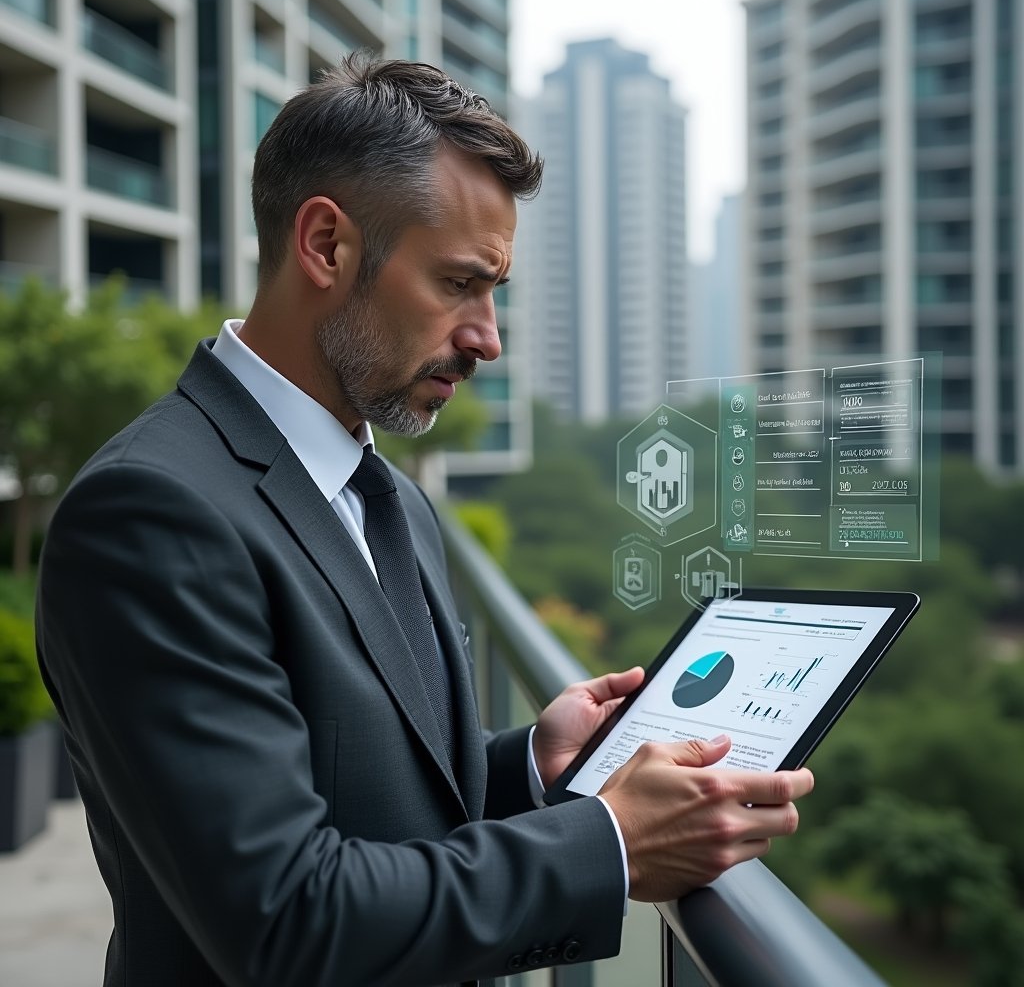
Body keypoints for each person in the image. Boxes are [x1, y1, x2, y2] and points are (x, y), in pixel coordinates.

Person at [35, 54, 813, 987]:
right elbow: (286, 920)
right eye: (458, 284)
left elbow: (369, 794)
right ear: (326, 245)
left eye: (495, 292)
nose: (489, 336)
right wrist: (608, 840)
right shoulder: (150, 514)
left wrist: (529, 765)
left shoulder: (386, 494)